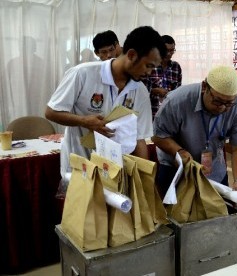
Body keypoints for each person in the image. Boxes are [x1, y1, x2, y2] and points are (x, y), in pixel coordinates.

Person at [46, 26, 167, 180]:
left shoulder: (140, 90)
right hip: (81, 165)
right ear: (131, 54)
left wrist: (144, 178)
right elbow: (51, 112)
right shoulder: (83, 74)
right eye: (148, 66)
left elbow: (139, 138)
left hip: (115, 171)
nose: (149, 73)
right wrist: (84, 121)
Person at [152, 65, 237, 196]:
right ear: (205, 87)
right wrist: (179, 152)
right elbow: (158, 136)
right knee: (174, 213)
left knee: (218, 211)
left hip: (215, 171)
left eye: (228, 104)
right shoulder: (177, 101)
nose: (222, 108)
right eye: (217, 101)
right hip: (176, 169)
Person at [142, 35, 182, 120]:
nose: (169, 54)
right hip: (150, 114)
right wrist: (154, 91)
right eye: (166, 50)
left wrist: (171, 94)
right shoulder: (149, 65)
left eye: (172, 51)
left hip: (169, 115)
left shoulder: (176, 67)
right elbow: (141, 91)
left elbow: (178, 92)